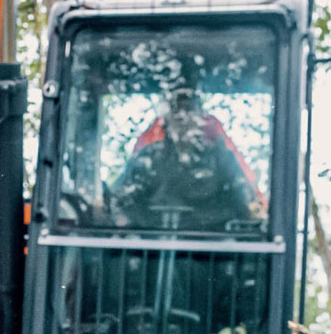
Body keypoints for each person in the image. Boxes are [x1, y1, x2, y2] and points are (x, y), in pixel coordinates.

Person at [110, 84, 263, 230]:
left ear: (200, 117)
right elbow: (122, 203)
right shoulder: (148, 158)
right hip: (151, 251)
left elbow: (243, 207)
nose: (182, 117)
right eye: (176, 110)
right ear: (167, 118)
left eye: (189, 109)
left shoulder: (221, 159)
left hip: (212, 252)